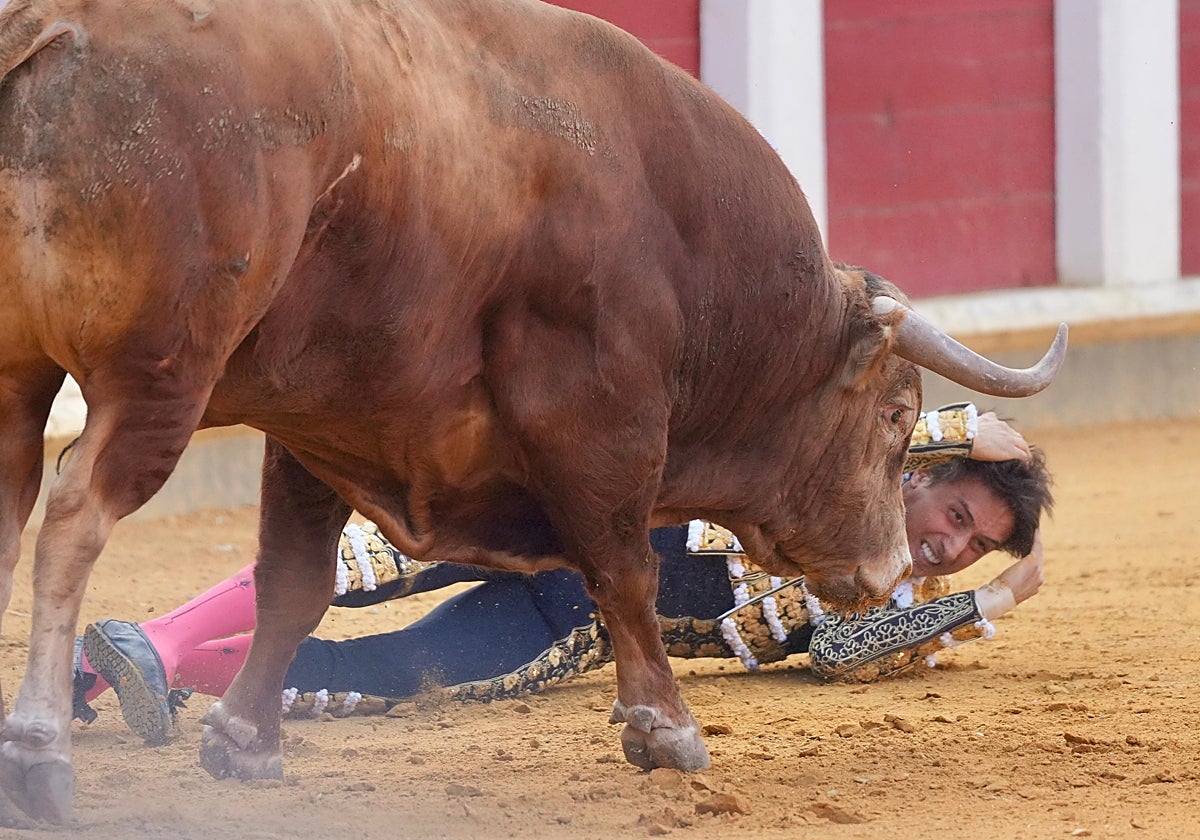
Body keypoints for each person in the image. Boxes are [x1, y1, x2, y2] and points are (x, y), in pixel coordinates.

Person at [73, 403, 1052, 745]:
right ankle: (150, 647)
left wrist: (990, 599)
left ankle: (158, 669)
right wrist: (954, 424)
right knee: (362, 560)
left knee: (392, 676)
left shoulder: (913, 605)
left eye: (975, 546)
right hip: (580, 521)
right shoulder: (840, 480)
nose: (951, 548)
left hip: (578, 628)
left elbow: (840, 651)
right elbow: (804, 438)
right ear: (925, 476)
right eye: (957, 517)